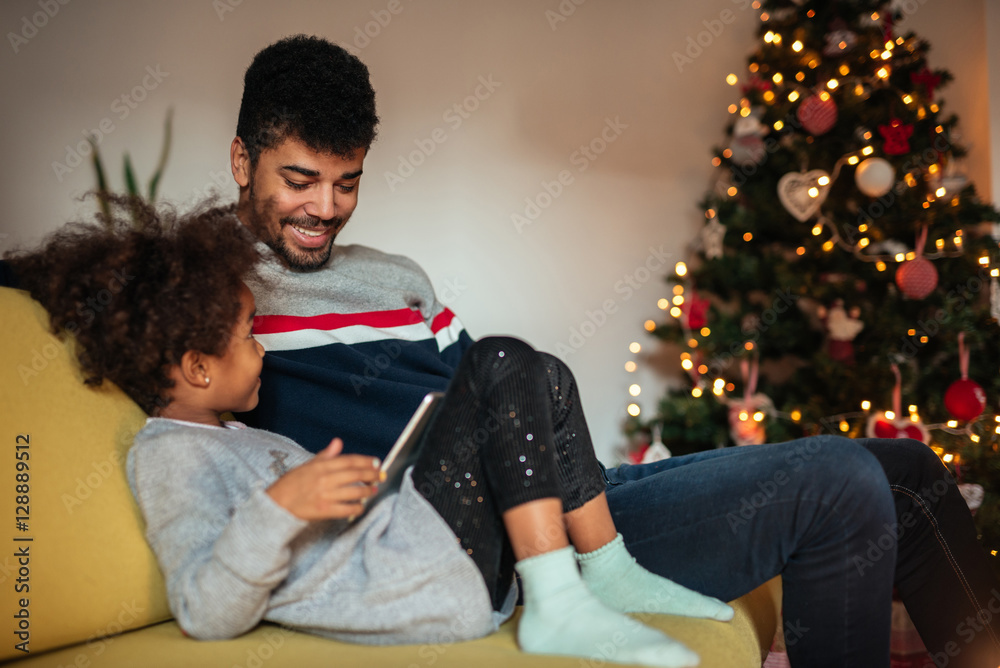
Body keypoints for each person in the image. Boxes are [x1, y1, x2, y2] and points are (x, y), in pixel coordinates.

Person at [224, 34, 1000, 667]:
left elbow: (494, 403)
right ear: (241, 163)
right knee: (839, 484)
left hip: (574, 500)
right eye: (300, 181)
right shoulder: (208, 299)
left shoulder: (399, 279)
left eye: (346, 183)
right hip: (490, 550)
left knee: (912, 475)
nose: (324, 209)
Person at [6, 199, 738, 667]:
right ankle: (562, 603)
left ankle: (604, 572)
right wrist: (281, 507)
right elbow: (204, 608)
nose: (262, 348)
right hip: (423, 580)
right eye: (248, 335)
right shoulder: (168, 458)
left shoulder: (228, 432)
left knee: (539, 373)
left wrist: (383, 477)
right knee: (501, 362)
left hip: (427, 553)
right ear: (197, 367)